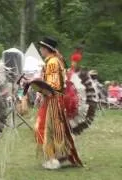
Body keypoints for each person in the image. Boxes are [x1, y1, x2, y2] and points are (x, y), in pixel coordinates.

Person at [35, 37, 83, 169]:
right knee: (56, 128)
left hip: (53, 100)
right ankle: (63, 155)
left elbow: (53, 85)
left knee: (45, 128)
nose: (40, 50)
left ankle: (53, 159)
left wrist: (38, 87)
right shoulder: (54, 60)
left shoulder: (52, 62)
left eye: (41, 48)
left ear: (46, 49)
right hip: (53, 99)